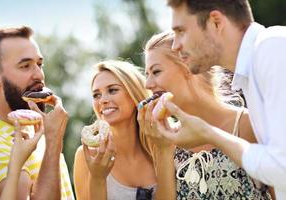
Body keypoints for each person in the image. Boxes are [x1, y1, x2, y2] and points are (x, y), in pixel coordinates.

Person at [159, 0, 286, 199]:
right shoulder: (251, 74)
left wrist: (209, 134)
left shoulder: (271, 48)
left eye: (181, 31)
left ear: (216, 22)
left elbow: (282, 168)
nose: (175, 45)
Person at [138, 31, 274, 199]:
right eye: (147, 74)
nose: (148, 84)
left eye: (156, 71)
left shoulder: (249, 124)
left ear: (187, 66)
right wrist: (163, 150)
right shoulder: (166, 138)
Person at [0, 26, 74, 199]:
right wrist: (54, 141)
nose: (39, 75)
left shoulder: (37, 131)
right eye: (25, 66)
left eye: (40, 64)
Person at [73, 60, 157, 200]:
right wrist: (97, 178)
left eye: (112, 90)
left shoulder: (160, 146)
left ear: (133, 93)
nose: (103, 100)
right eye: (96, 95)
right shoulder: (87, 156)